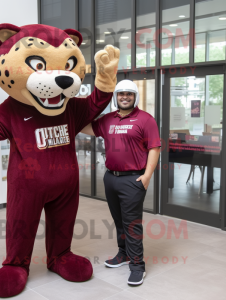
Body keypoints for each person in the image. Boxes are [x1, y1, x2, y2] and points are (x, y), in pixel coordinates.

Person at [81, 80, 161, 286]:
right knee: (119, 221)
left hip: (133, 179)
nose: (125, 97)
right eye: (121, 94)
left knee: (132, 223)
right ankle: (123, 254)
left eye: (129, 94)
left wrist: (147, 176)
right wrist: (73, 114)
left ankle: (137, 265)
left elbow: (155, 148)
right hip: (110, 178)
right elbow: (87, 128)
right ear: (116, 97)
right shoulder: (108, 119)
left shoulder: (145, 119)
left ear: (135, 97)